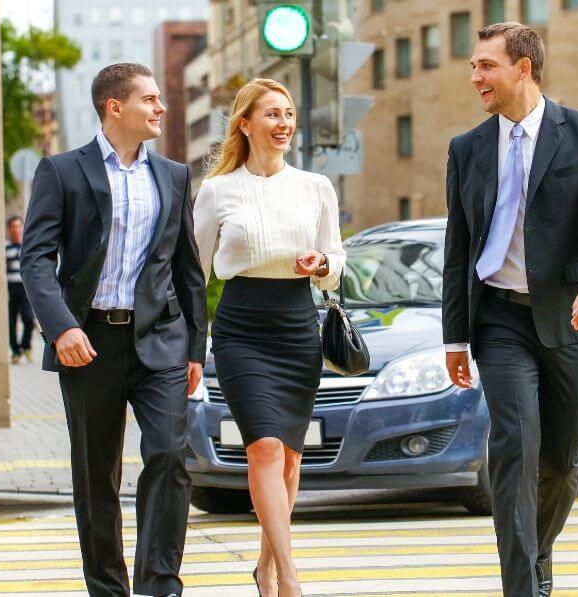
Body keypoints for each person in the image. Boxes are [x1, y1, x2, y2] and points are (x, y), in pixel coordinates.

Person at [441, 23, 578, 597]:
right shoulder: (467, 148)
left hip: (570, 316)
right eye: (473, 66)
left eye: (485, 66)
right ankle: (522, 587)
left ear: (523, 68)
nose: (475, 76)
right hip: (499, 317)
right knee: (514, 449)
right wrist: (455, 336)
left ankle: (536, 553)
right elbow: (458, 248)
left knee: (562, 462)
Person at [19, 63, 206, 597]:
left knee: (170, 455)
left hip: (161, 341)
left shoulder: (172, 174)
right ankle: (107, 589)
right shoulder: (62, 171)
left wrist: (195, 344)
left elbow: (186, 268)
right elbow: (36, 261)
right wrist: (61, 329)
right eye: (149, 99)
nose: (160, 108)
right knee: (96, 474)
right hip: (88, 342)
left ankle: (160, 584)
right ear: (114, 107)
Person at [193, 78, 345, 597]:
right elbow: (193, 274)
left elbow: (336, 263)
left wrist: (322, 263)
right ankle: (291, 578)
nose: (284, 124)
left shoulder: (315, 186)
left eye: (288, 113)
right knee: (262, 448)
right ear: (246, 123)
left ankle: (266, 566)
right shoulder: (217, 191)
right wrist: (194, 344)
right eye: (272, 115)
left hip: (297, 325)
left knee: (291, 457)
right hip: (241, 327)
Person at [5, 215, 34, 363]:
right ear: (9, 229)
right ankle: (16, 352)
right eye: (13, 227)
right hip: (11, 290)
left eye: (19, 226)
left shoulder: (29, 246)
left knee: (29, 319)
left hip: (26, 289)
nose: (16, 229)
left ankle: (26, 346)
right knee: (11, 323)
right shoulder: (5, 247)